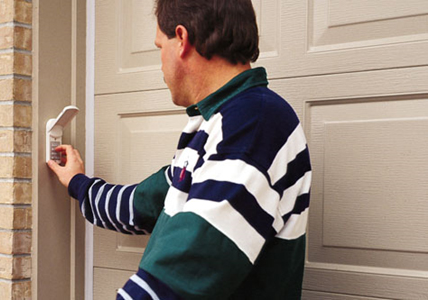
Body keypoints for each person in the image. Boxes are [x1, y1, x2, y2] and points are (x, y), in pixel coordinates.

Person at [48, 0, 312, 298]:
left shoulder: (254, 125)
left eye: (160, 46)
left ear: (182, 40)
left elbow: (185, 272)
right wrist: (77, 182)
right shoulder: (218, 123)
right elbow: (143, 204)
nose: (160, 63)